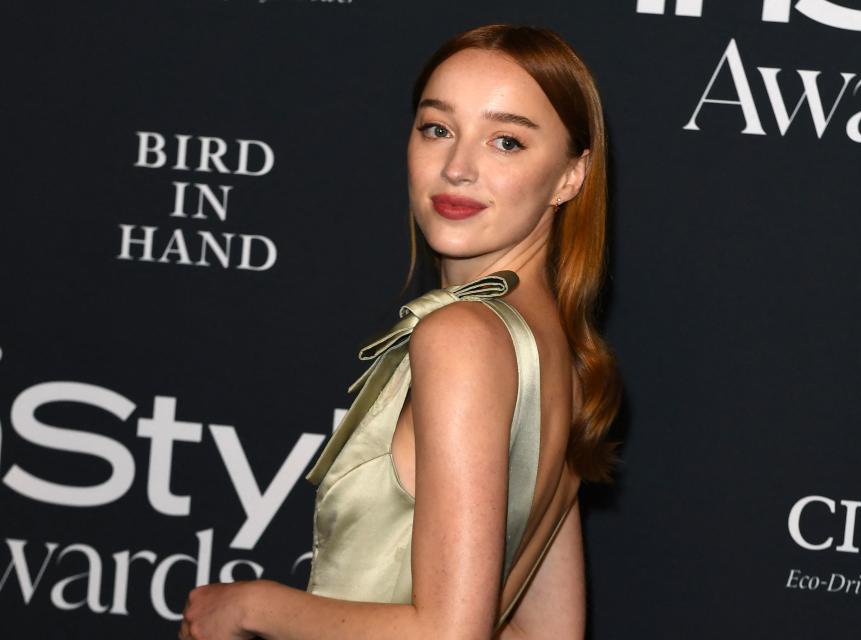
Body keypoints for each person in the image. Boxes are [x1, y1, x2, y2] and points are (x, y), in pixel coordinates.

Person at [179, 24, 621, 640]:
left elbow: (450, 633)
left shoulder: (461, 335)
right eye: (437, 129)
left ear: (571, 176)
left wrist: (250, 607)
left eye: (506, 142)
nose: (458, 168)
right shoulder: (562, 352)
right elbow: (548, 633)